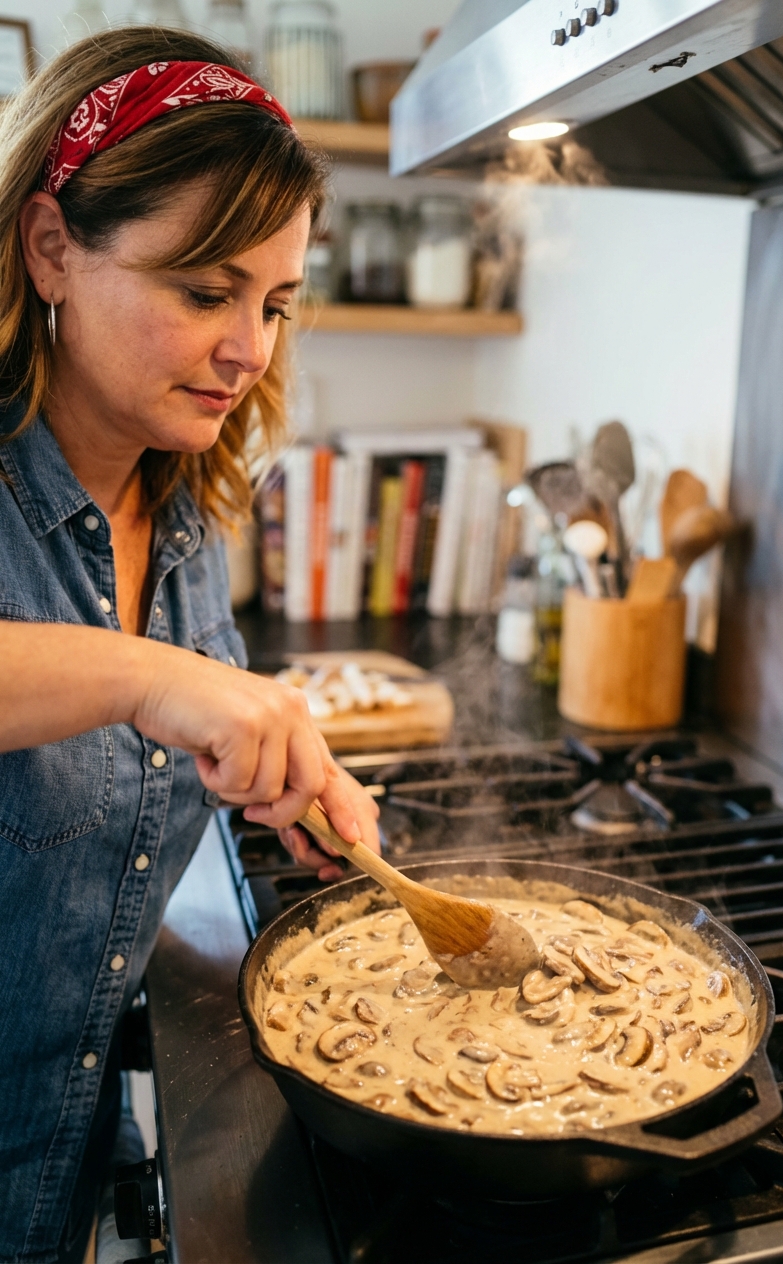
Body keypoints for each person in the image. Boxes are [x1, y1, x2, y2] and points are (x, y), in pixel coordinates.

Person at [0, 28, 381, 1263]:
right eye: (206, 291)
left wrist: (283, 782)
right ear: (51, 247)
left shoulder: (184, 508)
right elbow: (147, 692)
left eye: (272, 301)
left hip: (56, 1166)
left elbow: (171, 749)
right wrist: (163, 679)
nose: (250, 348)